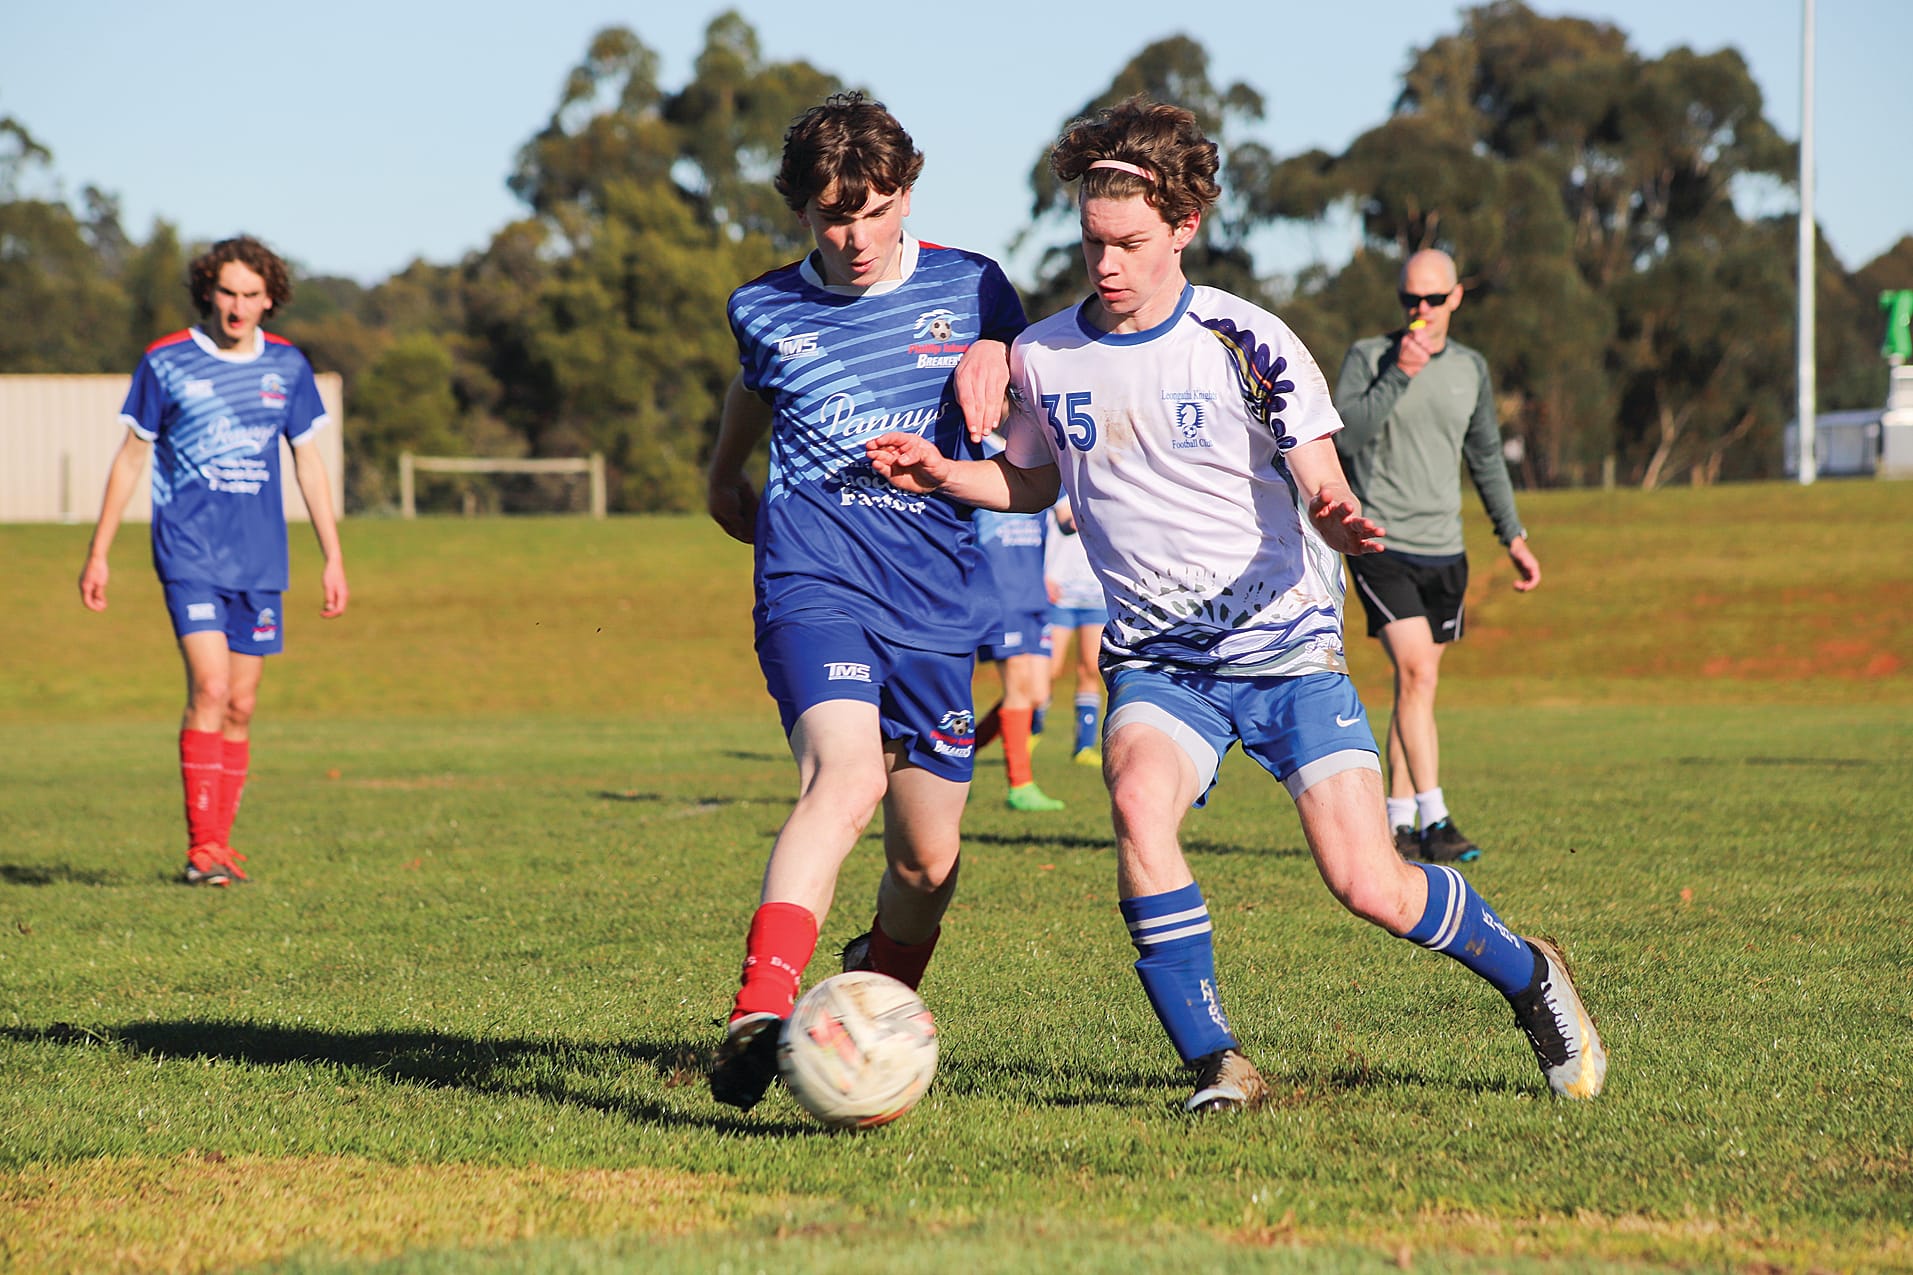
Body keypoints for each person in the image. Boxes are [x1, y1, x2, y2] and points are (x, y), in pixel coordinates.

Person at [867, 97, 1605, 1111]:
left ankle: (1528, 975)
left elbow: (1317, 474)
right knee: (1134, 799)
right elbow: (1033, 484)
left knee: (1367, 883)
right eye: (1091, 242)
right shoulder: (1043, 356)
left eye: (1128, 242)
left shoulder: (1243, 340)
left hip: (1285, 652)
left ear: (1182, 226)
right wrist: (944, 474)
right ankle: (1219, 1065)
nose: (1107, 264)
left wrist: (1338, 519)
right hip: (1158, 663)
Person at [703, 93, 1027, 1111]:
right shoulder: (763, 307)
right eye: (831, 215)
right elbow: (750, 401)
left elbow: (1027, 364)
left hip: (935, 604)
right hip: (814, 582)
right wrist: (722, 478)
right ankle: (759, 1015)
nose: (852, 236)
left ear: (904, 195)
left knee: (928, 865)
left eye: (873, 210)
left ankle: (871, 1009)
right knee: (841, 781)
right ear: (802, 210)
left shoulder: (973, 285)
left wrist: (995, 349)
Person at [78, 234, 348, 887]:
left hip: (260, 557)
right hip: (189, 551)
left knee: (243, 704)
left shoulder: (287, 368)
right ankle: (201, 851)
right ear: (209, 289)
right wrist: (100, 551)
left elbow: (308, 463)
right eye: (227, 291)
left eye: (251, 295)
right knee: (211, 687)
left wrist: (332, 555)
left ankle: (220, 847)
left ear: (269, 299)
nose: (238, 306)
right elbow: (132, 456)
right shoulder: (166, 361)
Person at [1331, 249, 1539, 864]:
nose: (1420, 311)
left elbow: (1485, 459)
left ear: (1455, 298)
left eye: (1431, 299)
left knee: (1415, 688)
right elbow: (1343, 435)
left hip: (1445, 550)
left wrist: (1514, 535)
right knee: (1417, 672)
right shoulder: (1370, 357)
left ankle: (1396, 826)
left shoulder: (1471, 368)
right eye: (1409, 301)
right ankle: (1437, 818)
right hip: (1381, 544)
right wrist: (1399, 373)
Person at [972, 492, 1068, 812]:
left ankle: (954, 751)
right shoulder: (973, 456)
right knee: (1019, 688)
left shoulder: (1041, 459)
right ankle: (1021, 785)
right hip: (998, 596)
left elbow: (1067, 519)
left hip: (1034, 594)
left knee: (1038, 694)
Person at [1044, 495, 1108, 766]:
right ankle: (1031, 729)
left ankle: (1083, 746)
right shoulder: (1059, 486)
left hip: (1096, 595)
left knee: (1090, 668)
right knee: (1050, 669)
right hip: (1060, 594)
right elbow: (1063, 524)